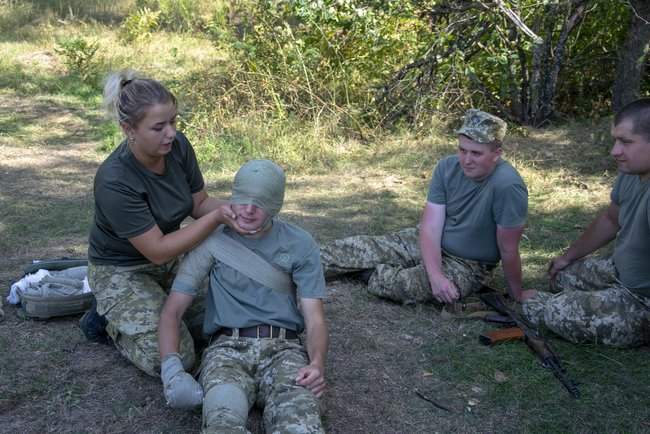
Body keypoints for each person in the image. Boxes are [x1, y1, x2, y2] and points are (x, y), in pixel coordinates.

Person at [82, 69, 247, 377]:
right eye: (158, 127)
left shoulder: (177, 147)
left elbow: (199, 204)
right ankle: (109, 323)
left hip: (170, 261)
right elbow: (156, 250)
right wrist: (216, 219)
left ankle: (144, 314)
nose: (170, 133)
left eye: (173, 121)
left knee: (224, 322)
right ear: (128, 128)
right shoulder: (114, 180)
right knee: (177, 359)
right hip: (122, 270)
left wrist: (243, 210)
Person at [158, 160, 328, 433]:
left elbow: (315, 318)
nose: (248, 210)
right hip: (227, 352)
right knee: (222, 424)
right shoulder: (211, 241)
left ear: (276, 205)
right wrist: (172, 369)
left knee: (301, 425)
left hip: (285, 352)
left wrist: (317, 363)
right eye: (243, 199)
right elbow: (173, 310)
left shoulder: (300, 244)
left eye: (260, 203)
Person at [321, 109, 532, 305]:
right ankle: (297, 264)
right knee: (358, 247)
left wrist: (516, 293)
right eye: (462, 150)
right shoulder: (446, 167)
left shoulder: (508, 186)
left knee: (409, 285)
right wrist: (436, 274)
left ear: (496, 154)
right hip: (430, 241)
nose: (466, 160)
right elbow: (430, 227)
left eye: (476, 153)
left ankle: (367, 272)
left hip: (469, 264)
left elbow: (508, 248)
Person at [522, 99, 650, 347]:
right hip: (620, 273)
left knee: (550, 311)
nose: (615, 151)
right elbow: (610, 220)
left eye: (626, 142)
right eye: (615, 140)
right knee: (559, 276)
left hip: (641, 301)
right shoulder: (632, 172)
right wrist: (567, 257)